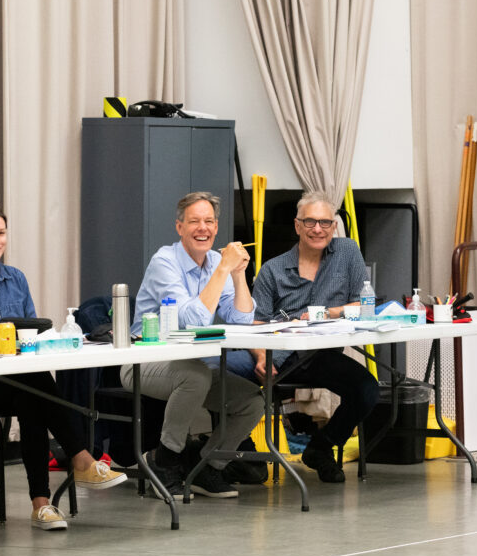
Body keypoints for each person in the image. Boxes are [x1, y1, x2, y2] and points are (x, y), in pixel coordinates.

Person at [0, 204, 127, 531]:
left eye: (1, 233)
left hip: (18, 381)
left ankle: (43, 504)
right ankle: (79, 459)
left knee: (31, 397)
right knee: (34, 386)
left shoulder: (17, 280)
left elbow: (33, 333)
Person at [123, 191, 264, 499]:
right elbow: (191, 320)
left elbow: (241, 319)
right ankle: (165, 460)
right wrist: (224, 270)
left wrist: (238, 275)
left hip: (196, 365)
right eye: (195, 221)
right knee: (195, 378)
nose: (203, 228)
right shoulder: (164, 261)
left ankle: (208, 467)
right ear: (179, 227)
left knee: (252, 402)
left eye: (210, 221)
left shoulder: (216, 261)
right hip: (143, 363)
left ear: (217, 227)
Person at [249, 192, 379, 483]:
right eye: (310, 222)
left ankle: (320, 448)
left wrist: (328, 313)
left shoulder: (347, 252)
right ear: (297, 226)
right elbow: (255, 323)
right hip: (281, 355)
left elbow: (366, 304)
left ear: (334, 226)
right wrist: (259, 356)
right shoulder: (273, 269)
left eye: (324, 222)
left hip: (321, 354)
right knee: (232, 379)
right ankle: (237, 457)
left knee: (367, 389)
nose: (317, 229)